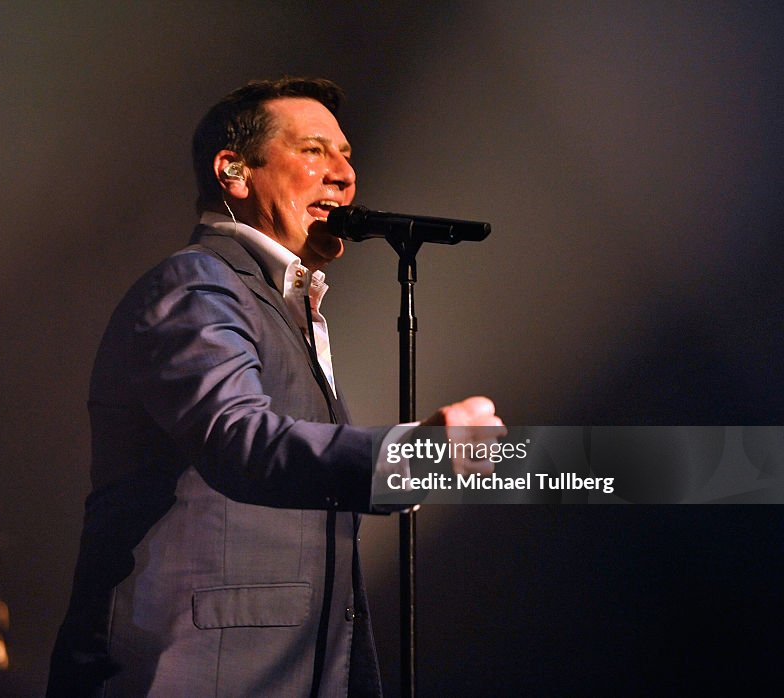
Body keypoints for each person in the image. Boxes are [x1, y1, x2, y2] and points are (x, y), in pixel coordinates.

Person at [47, 77, 504, 697]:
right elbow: (240, 441)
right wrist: (409, 459)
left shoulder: (282, 306)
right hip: (190, 672)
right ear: (234, 172)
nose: (344, 174)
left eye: (347, 155)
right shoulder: (196, 284)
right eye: (314, 151)